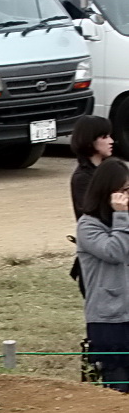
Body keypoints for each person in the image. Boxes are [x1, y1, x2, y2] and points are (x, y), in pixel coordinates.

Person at [76, 157, 129, 394]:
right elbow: (114, 251)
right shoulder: (88, 225)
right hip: (109, 318)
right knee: (119, 385)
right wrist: (121, 216)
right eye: (125, 190)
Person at [69, 116, 114, 297]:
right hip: (99, 253)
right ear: (89, 140)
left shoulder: (110, 170)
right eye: (104, 137)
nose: (111, 141)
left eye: (110, 136)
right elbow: (96, 214)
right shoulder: (83, 178)